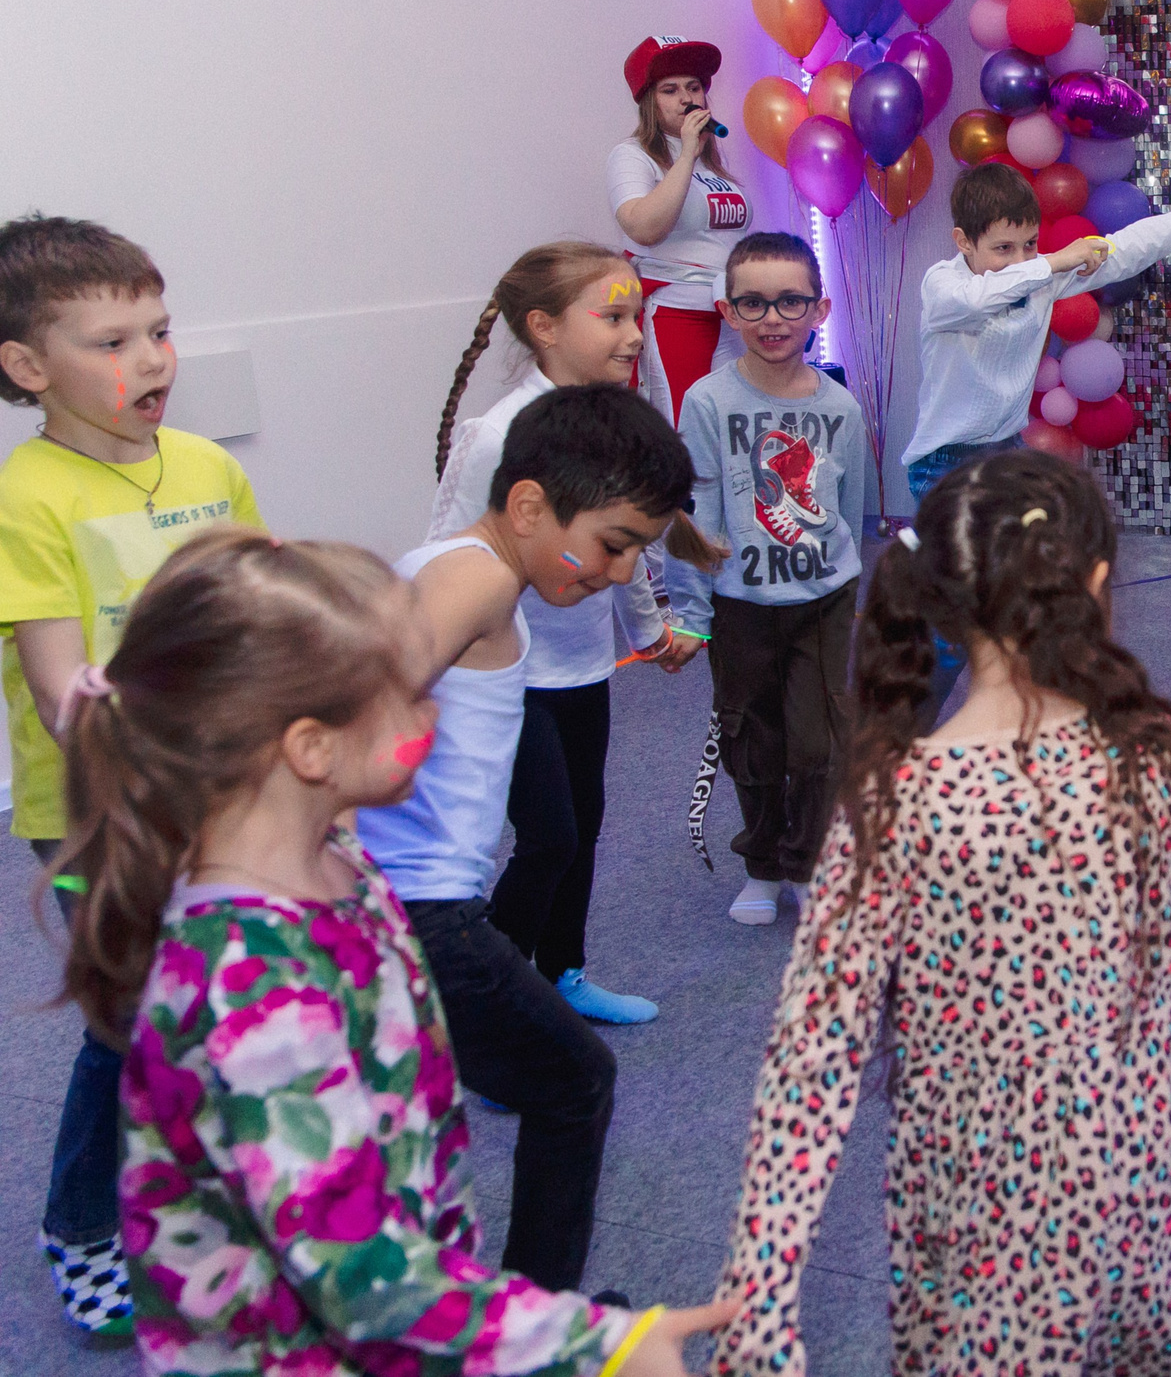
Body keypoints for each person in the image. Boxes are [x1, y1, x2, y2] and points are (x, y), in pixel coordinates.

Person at [706, 451, 1171, 1374]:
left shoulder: (895, 803)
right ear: (1093, 584)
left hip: (987, 1227)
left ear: (940, 606)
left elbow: (812, 1058)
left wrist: (760, 1305)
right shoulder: (1156, 754)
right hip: (1156, 1190)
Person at [48, 529, 734, 1377]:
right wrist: (599, 1346)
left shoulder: (340, 865)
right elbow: (365, 1284)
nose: (433, 714)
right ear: (310, 747)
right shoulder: (249, 989)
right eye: (406, 697)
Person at [359, 384, 722, 1294]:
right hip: (418, 911)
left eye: (636, 548)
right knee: (573, 1082)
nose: (613, 568)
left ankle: (455, 1305)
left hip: (401, 904)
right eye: (612, 542)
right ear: (528, 503)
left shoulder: (463, 567)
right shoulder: (475, 576)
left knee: (405, 1115)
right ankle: (539, 1316)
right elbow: (362, 702)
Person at [0, 214, 263, 1338]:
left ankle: (199, 1199)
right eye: (111, 342)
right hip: (95, 819)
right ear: (26, 368)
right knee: (132, 1027)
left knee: (218, 1011)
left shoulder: (204, 465)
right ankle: (85, 1225)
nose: (151, 359)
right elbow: (64, 693)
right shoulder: (29, 497)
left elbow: (260, 608)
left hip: (222, 799)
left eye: (158, 331)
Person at [429, 240, 694, 1026]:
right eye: (612, 315)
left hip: (584, 668)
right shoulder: (498, 435)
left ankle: (564, 972)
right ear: (543, 326)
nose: (635, 334)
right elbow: (447, 553)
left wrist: (649, 631)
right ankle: (489, 1002)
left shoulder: (617, 424)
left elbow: (629, 547)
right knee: (548, 837)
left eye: (636, 315)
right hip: (509, 676)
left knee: (583, 833)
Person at [667, 233, 872, 928]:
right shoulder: (707, 401)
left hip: (823, 599)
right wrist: (692, 614)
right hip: (739, 606)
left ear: (821, 308)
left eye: (791, 300)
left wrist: (845, 581)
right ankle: (762, 863)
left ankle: (807, 859)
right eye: (753, 301)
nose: (773, 316)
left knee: (820, 743)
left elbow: (850, 511)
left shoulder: (839, 409)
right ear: (727, 310)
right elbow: (693, 512)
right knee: (752, 742)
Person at [902, 161, 1171, 500]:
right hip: (943, 463)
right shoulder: (942, 284)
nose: (1019, 259)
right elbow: (976, 300)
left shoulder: (1041, 275)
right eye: (1003, 248)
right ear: (964, 241)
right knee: (959, 574)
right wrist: (1051, 262)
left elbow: (1131, 247)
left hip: (1006, 451)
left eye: (1029, 244)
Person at [611, 36, 753, 427]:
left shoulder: (713, 163)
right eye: (669, 90)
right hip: (676, 312)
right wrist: (687, 152)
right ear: (648, 102)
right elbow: (643, 228)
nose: (687, 98)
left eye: (694, 87)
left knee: (730, 425)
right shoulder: (632, 155)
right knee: (684, 429)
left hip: (730, 311)